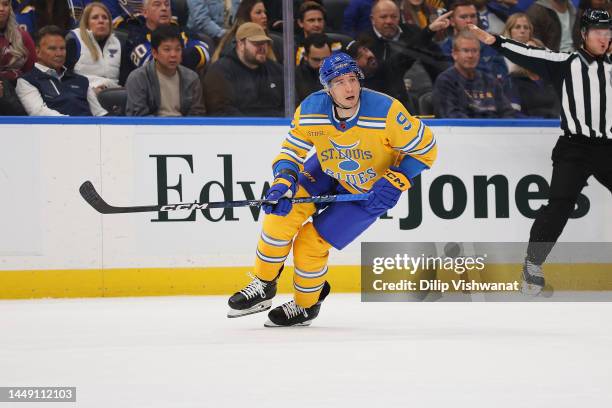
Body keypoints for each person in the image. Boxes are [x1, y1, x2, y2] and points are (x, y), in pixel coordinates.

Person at [226, 52, 437, 327]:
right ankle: (264, 283)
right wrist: (283, 182)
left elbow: (426, 150)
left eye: (353, 79)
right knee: (280, 215)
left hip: (371, 188)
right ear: (327, 88)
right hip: (327, 169)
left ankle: (305, 305)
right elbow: (291, 151)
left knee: (309, 243)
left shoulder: (387, 111)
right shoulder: (312, 109)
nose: (349, 88)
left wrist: (398, 179)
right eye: (339, 82)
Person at [468, 9, 612, 294]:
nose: (604, 38)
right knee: (558, 205)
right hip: (575, 148)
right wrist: (495, 41)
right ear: (583, 34)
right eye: (598, 31)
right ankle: (532, 265)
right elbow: (526, 53)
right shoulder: (564, 62)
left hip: (609, 147)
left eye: (608, 32)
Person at [16, 25, 107, 116]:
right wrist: (73, 124)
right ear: (37, 52)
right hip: (53, 129)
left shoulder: (81, 80)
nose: (59, 54)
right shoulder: (26, 81)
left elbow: (99, 113)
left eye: (62, 48)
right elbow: (38, 113)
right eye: (52, 49)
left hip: (89, 128)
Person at [119, 0, 210, 84]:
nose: (164, 8)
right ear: (145, 12)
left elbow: (204, 51)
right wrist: (187, 56)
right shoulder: (137, 36)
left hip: (186, 90)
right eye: (157, 4)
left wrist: (170, 58)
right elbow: (154, 66)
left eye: (167, 4)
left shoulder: (182, 31)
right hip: (149, 94)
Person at [204, 22, 284, 116]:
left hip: (277, 127)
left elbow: (291, 105)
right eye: (256, 43)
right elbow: (221, 109)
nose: (262, 48)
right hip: (238, 128)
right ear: (241, 44)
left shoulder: (276, 70)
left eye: (265, 43)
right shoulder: (220, 71)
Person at [432, 29, 516, 118]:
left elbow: (508, 113)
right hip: (462, 130)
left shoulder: (490, 81)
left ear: (479, 54)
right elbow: (451, 116)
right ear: (454, 54)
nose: (470, 55)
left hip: (494, 130)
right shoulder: (445, 81)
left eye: (474, 51)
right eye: (465, 51)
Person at [125, 25, 205, 116]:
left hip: (184, 128)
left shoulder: (192, 78)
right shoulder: (138, 78)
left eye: (178, 49)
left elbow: (197, 114)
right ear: (154, 53)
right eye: (167, 50)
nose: (173, 55)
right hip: (150, 128)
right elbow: (138, 116)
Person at [65, 2, 126, 93]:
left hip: (114, 94)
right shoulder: (74, 40)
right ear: (86, 22)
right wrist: (89, 90)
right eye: (95, 17)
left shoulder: (118, 42)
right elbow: (65, 76)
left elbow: (125, 78)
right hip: (83, 95)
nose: (101, 21)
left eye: (105, 18)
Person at [439, 0, 508, 80]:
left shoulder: (492, 45)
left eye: (473, 16)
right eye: (463, 17)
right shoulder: (443, 49)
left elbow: (503, 78)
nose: (469, 21)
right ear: (452, 21)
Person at [502, 38, 561, 117]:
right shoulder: (513, 80)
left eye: (535, 51)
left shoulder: (554, 80)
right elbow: (514, 112)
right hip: (527, 126)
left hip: (556, 125)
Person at [212, 0, 280, 62]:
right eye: (258, 13)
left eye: (264, 12)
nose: (264, 16)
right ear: (246, 16)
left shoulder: (272, 42)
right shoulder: (232, 46)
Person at [295, 32, 331, 104]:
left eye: (325, 59)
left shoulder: (341, 75)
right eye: (316, 60)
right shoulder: (293, 77)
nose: (321, 64)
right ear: (305, 56)